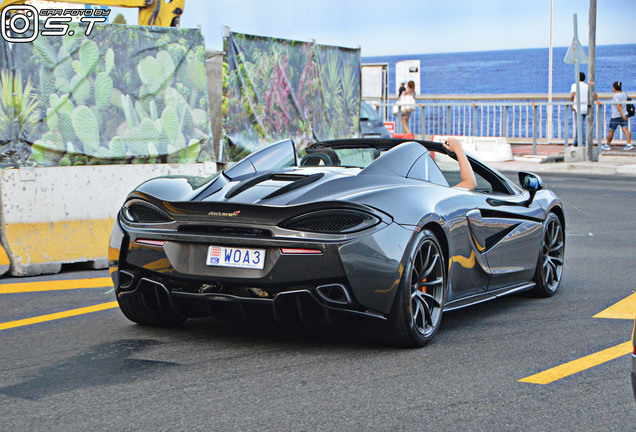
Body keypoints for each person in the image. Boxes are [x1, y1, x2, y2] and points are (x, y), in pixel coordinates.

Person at [602, 81, 632, 151]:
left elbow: (618, 105)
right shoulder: (624, 94)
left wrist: (621, 114)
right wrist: (624, 115)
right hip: (625, 114)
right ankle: (629, 144)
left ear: (614, 88)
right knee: (625, 129)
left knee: (611, 131)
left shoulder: (616, 96)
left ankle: (608, 144)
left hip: (616, 116)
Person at [570, 72, 597, 147]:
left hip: (578, 108)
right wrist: (590, 102)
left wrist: (571, 104)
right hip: (586, 108)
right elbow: (595, 95)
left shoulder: (574, 85)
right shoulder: (587, 86)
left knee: (580, 125)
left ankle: (584, 142)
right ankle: (576, 141)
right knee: (580, 125)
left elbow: (572, 95)